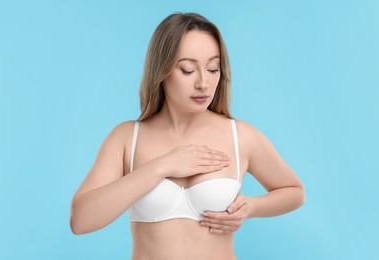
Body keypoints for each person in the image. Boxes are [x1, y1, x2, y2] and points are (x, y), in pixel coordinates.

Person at [70, 12, 305, 259]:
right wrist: (161, 166)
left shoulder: (240, 136)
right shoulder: (127, 137)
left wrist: (251, 208)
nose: (204, 83)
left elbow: (295, 191)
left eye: (213, 68)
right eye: (188, 69)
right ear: (161, 70)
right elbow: (81, 221)